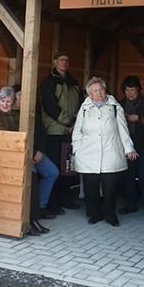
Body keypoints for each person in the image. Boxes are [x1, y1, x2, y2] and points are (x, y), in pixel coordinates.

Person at [72, 77, 137, 227]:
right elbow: (77, 132)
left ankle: (110, 216)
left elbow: (123, 130)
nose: (99, 93)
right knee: (91, 187)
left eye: (101, 89)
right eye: (95, 90)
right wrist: (77, 149)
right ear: (89, 94)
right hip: (88, 153)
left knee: (110, 187)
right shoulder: (84, 109)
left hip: (110, 152)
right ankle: (95, 215)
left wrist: (129, 149)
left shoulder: (115, 107)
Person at [0, 86, 50, 236]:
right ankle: (29, 222)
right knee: (29, 180)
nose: (5, 104)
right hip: (2, 158)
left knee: (32, 180)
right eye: (2, 101)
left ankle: (33, 220)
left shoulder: (15, 115)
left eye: (8, 101)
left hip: (16, 157)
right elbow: (7, 138)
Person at [40, 51, 82, 214]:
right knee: (56, 167)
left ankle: (65, 199)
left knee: (68, 167)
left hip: (70, 132)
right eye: (61, 60)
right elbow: (51, 108)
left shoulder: (74, 82)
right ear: (55, 62)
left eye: (66, 60)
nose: (64, 63)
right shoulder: (48, 83)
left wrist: (74, 123)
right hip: (55, 132)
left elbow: (80, 104)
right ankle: (52, 202)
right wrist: (68, 122)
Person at [12, 84, 59, 221]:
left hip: (37, 154)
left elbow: (43, 134)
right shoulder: (10, 114)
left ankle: (40, 206)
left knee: (53, 172)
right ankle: (30, 211)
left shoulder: (32, 113)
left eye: (24, 95)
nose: (22, 98)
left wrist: (40, 152)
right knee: (31, 177)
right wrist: (31, 154)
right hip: (22, 156)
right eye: (19, 95)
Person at [119, 75, 144, 219]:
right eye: (127, 90)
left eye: (133, 90)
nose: (130, 93)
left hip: (143, 146)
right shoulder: (121, 103)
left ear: (138, 90)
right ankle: (130, 205)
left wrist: (139, 119)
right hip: (127, 146)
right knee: (128, 177)